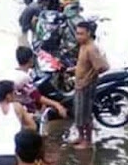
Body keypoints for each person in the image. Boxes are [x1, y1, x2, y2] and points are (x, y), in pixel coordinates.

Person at [73, 21, 109, 149]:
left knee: (85, 115)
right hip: (79, 84)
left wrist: (88, 79)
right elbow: (84, 64)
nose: (78, 36)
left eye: (81, 34)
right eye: (77, 33)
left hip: (86, 86)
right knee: (78, 114)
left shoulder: (91, 48)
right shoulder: (82, 46)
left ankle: (87, 141)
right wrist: (74, 70)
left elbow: (102, 67)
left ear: (89, 33)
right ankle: (81, 137)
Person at [13, 46, 67, 120]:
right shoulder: (24, 77)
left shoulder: (15, 73)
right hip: (25, 110)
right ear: (30, 60)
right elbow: (37, 97)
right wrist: (57, 104)